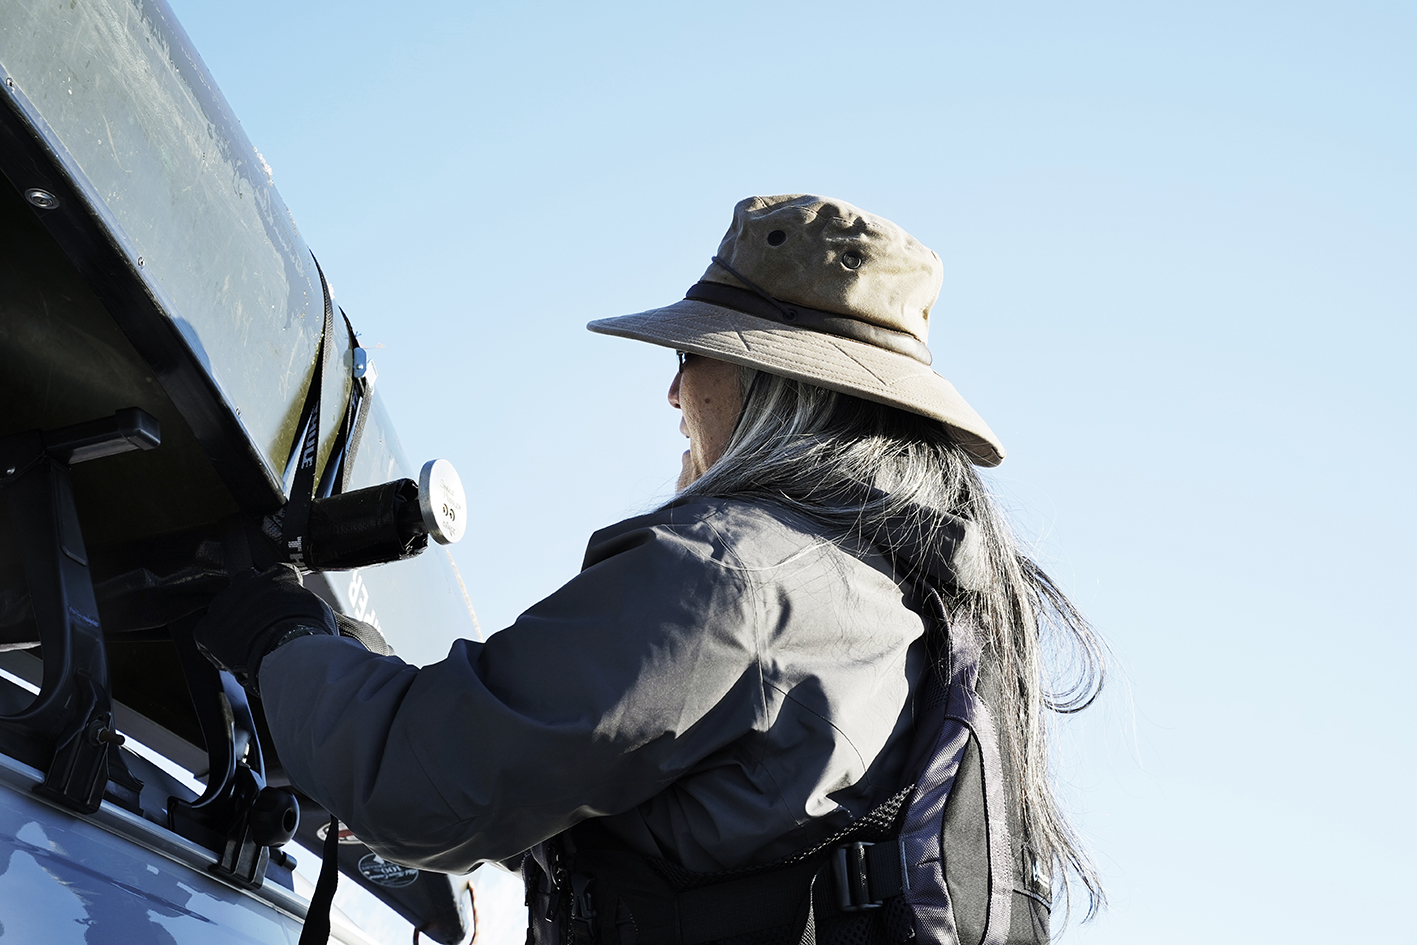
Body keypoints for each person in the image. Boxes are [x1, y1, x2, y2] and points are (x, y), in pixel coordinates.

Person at [197, 194, 1105, 944]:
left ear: (773, 383)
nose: (674, 391)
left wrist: (281, 636)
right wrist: (356, 664)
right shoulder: (909, 604)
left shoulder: (733, 577)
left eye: (690, 355)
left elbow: (423, 782)